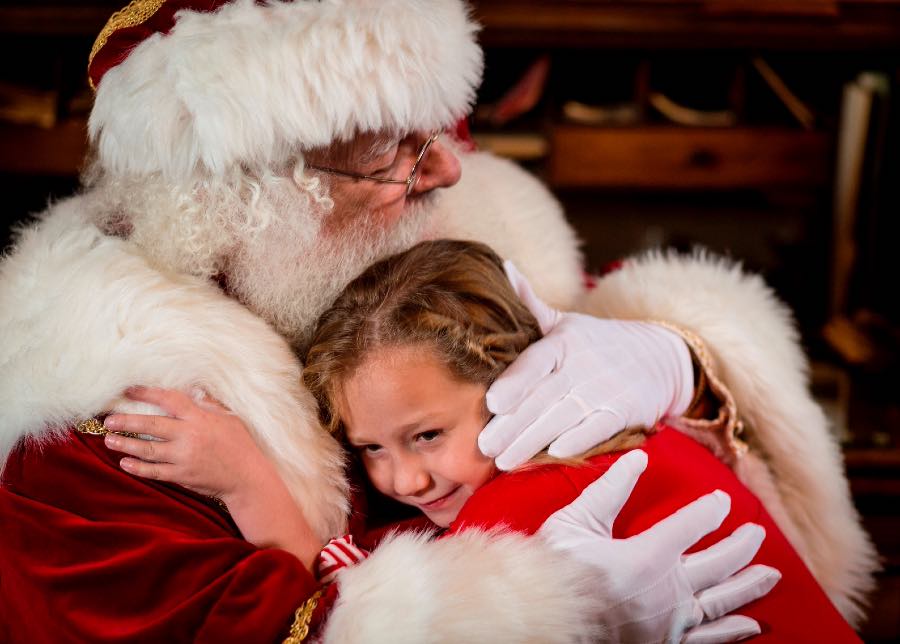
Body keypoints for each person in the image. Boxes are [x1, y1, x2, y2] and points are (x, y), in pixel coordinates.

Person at [0, 0, 874, 640]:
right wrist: (547, 613)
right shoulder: (89, 435)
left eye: (442, 131)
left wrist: (681, 356)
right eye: (394, 151)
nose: (450, 174)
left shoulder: (428, 240)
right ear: (242, 195)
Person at [102, 239, 858, 642]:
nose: (403, 480)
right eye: (370, 449)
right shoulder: (622, 438)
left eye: (426, 434)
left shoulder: (546, 489)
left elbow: (356, 616)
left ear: (517, 376)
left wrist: (247, 482)